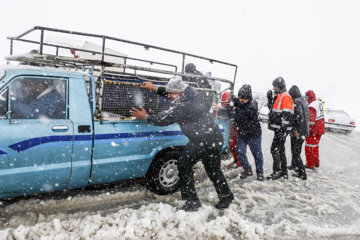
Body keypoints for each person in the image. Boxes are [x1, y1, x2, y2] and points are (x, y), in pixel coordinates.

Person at [130, 76, 234, 211]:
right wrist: (154, 88)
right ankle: (226, 196)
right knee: (213, 170)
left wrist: (146, 117)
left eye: (171, 94)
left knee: (184, 164)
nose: (169, 96)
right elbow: (170, 92)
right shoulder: (191, 92)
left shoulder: (182, 106)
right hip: (213, 137)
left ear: (178, 93)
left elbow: (164, 119)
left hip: (202, 140)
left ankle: (192, 202)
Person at [218, 85, 264, 181]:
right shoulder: (241, 102)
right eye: (240, 98)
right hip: (242, 134)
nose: (241, 100)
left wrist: (219, 110)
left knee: (257, 155)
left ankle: (260, 173)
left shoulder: (252, 106)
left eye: (243, 98)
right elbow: (238, 103)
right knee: (240, 152)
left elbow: (236, 115)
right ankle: (247, 169)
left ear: (249, 98)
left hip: (253, 135)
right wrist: (234, 98)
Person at [267, 77, 294, 180]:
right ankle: (283, 172)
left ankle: (277, 171)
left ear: (279, 86)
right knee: (280, 150)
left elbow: (287, 116)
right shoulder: (279, 96)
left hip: (280, 130)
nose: (273, 88)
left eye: (274, 86)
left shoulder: (285, 97)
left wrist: (283, 132)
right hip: (278, 129)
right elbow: (273, 112)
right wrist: (270, 99)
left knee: (274, 149)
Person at [288, 85, 309, 180]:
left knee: (296, 152)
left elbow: (299, 118)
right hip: (303, 131)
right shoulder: (303, 101)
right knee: (295, 150)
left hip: (299, 131)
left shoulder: (296, 101)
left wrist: (298, 131)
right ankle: (294, 166)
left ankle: (302, 173)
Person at [304, 90, 325, 169]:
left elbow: (311, 121)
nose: (305, 99)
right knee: (315, 146)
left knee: (309, 147)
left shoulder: (312, 106)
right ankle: (316, 162)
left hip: (314, 130)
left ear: (309, 97)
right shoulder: (318, 103)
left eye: (306, 97)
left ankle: (310, 164)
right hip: (320, 129)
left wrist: (307, 131)